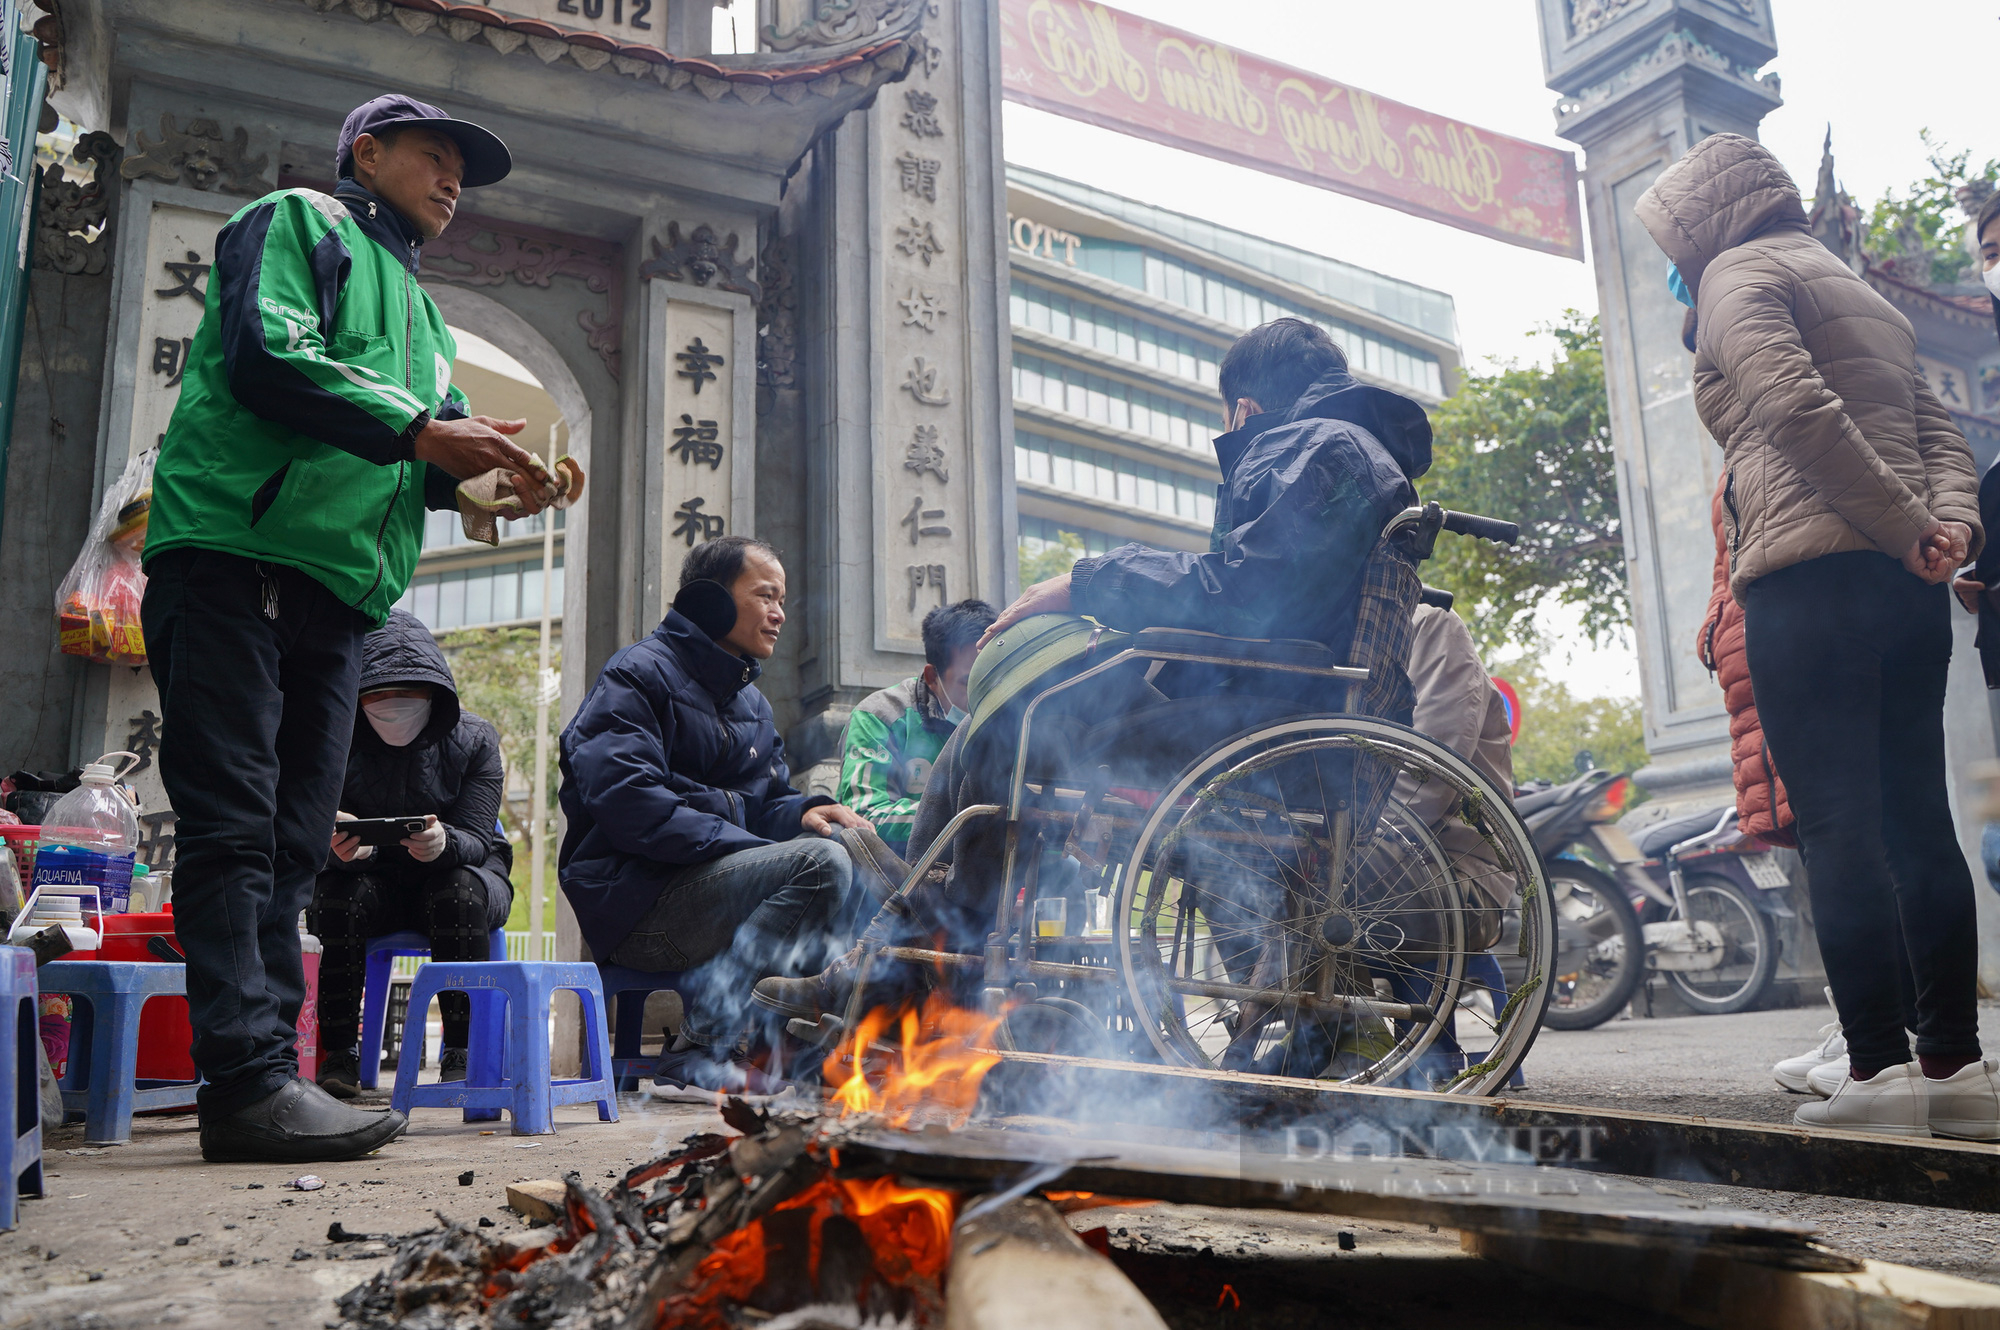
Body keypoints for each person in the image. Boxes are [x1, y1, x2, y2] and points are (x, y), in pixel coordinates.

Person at [756, 317, 1433, 1022]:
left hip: (1262, 707)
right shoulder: (1346, 447)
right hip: (1281, 699)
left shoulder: (1304, 446)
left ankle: (910, 955)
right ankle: (907, 948)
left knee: (1010, 723)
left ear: (1244, 408)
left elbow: (1241, 592)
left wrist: (1084, 582)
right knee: (991, 731)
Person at [139, 94, 551, 1162]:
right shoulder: (297, 223)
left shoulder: (422, 321)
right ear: (365, 154)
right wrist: (422, 430)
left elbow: (413, 461)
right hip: (236, 563)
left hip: (338, 607)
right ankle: (246, 1082)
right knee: (234, 829)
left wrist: (487, 490)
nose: (452, 181)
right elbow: (272, 357)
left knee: (289, 841)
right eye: (432, 156)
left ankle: (266, 1076)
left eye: (464, 169)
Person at [1637, 132, 1998, 1139]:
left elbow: (1792, 407)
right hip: (1901, 590)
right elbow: (1942, 434)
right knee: (1917, 820)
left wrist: (1900, 522)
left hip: (1805, 583)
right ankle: (1955, 1071)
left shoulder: (1733, 277)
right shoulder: (1855, 290)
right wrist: (1942, 529)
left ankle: (1876, 1073)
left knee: (1837, 827)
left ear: (1697, 217)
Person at [558, 536, 871, 1095]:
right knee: (819, 865)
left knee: (845, 848)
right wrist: (745, 832)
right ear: (712, 602)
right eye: (766, 596)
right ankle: (701, 1046)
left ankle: (798, 1053)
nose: (779, 615)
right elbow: (630, 801)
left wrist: (802, 811)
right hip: (639, 907)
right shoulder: (636, 675)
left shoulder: (751, 703)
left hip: (710, 891)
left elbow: (765, 802)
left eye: (783, 601)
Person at [307, 611, 513, 1098]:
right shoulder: (332, 740)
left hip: (464, 881)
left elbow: (480, 839)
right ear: (356, 694)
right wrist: (335, 848)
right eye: (376, 695)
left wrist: (446, 843)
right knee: (335, 894)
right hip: (370, 881)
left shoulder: (476, 740)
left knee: (458, 890)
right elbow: (302, 830)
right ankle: (338, 1053)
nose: (391, 708)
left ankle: (462, 1051)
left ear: (436, 695)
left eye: (410, 695)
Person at [837, 599, 996, 856]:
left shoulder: (1008, 717)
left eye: (990, 680)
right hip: (898, 870)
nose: (982, 696)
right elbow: (865, 814)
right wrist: (965, 818)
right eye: (968, 683)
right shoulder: (878, 716)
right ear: (933, 677)